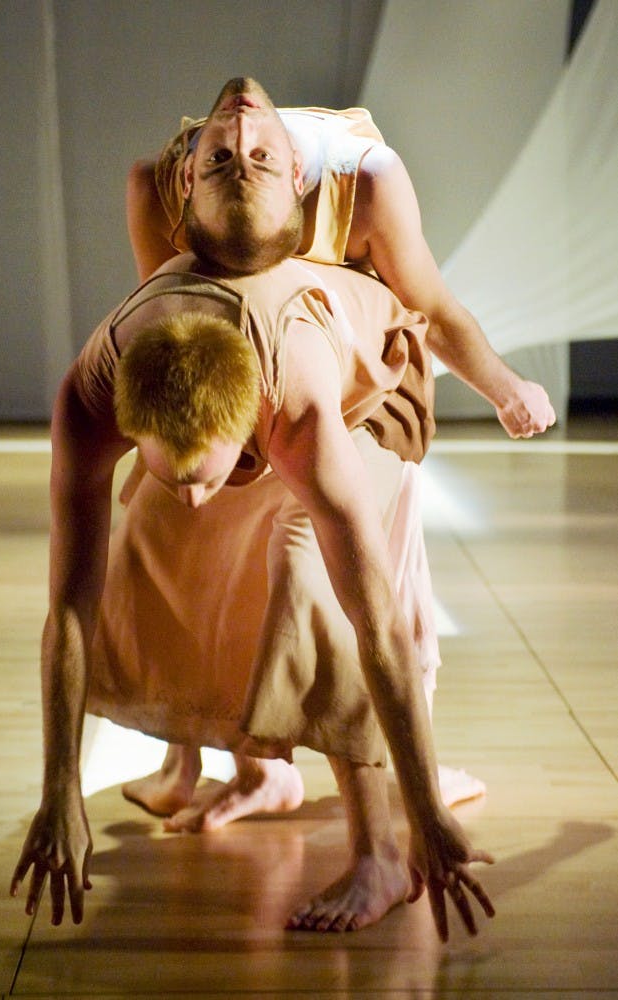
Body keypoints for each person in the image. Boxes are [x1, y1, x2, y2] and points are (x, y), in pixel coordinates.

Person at [11, 251, 495, 939]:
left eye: (210, 474)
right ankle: (259, 774)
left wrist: (423, 812)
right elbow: (67, 607)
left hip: (373, 394)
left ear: (250, 426)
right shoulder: (88, 396)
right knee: (156, 532)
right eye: (175, 474)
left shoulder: (298, 408)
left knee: (310, 579)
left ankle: (377, 854)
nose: (195, 496)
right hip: (242, 389)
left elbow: (376, 623)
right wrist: (57, 792)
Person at [119, 76, 556, 823]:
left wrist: (505, 388)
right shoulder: (154, 186)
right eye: (220, 158)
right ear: (188, 179)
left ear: (298, 177)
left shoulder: (365, 182)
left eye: (258, 156)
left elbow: (431, 306)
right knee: (158, 526)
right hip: (253, 378)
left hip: (367, 387)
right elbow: (178, 314)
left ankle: (394, 780)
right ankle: (237, 762)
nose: (241, 138)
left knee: (311, 560)